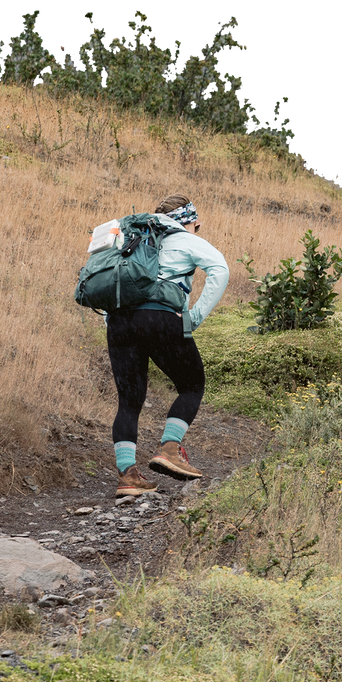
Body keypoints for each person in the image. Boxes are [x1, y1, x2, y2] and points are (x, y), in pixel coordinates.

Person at [109, 194, 229, 498]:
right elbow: (220, 270)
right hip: (161, 316)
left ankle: (128, 477)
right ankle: (169, 449)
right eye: (196, 226)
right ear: (189, 220)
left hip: (119, 322)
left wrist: (116, 324)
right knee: (192, 384)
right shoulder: (185, 239)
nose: (196, 231)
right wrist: (195, 317)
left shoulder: (133, 238)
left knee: (129, 401)